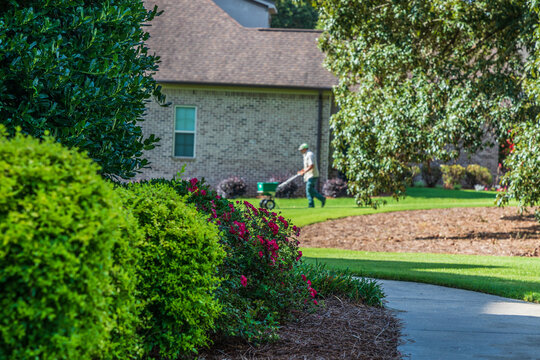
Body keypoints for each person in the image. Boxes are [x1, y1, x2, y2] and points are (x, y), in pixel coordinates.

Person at [297, 143, 326, 208]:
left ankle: (321, 199)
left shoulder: (310, 155)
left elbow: (311, 166)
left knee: (309, 189)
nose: (300, 151)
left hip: (312, 175)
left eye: (301, 150)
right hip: (308, 176)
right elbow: (306, 166)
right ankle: (311, 205)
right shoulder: (305, 155)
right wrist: (302, 171)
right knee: (309, 191)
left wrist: (304, 172)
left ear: (305, 149)